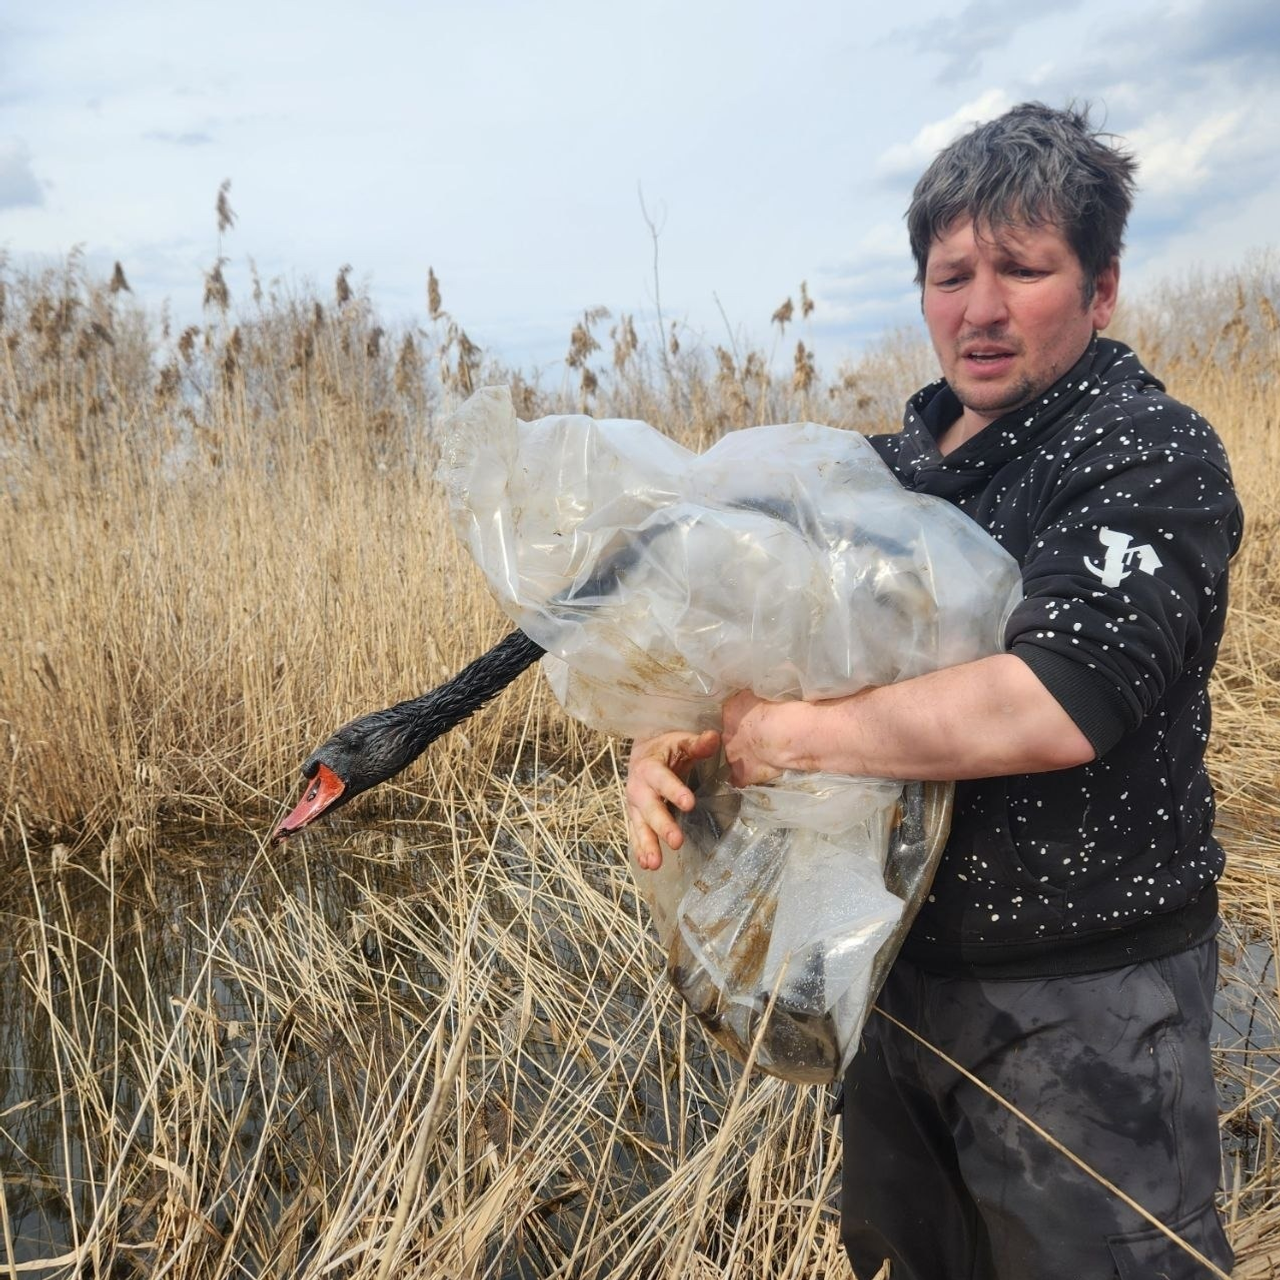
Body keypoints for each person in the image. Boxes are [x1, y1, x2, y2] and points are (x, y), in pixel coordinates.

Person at [625, 103, 1242, 1279]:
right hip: (889, 988)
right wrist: (681, 750)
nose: (980, 307)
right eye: (951, 273)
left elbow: (1054, 701)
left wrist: (795, 737)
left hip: (1086, 1005)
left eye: (1023, 268)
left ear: (1100, 288)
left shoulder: (1140, 449)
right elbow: (764, 670)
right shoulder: (879, 476)